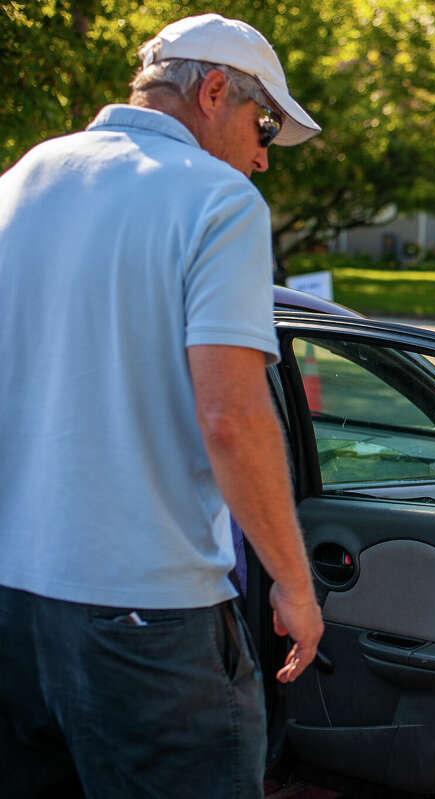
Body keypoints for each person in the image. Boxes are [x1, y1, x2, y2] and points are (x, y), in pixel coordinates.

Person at [0, 14, 324, 796]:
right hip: (149, 619)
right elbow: (233, 419)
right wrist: (295, 584)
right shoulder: (219, 200)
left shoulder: (23, 178)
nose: (262, 156)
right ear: (214, 91)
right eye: (265, 124)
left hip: (15, 610)